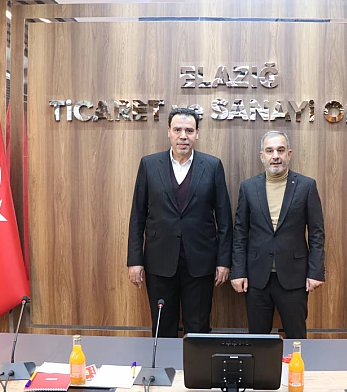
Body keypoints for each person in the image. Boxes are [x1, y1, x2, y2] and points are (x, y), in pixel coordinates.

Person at [127, 107, 233, 337]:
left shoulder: (212, 166)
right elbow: (137, 216)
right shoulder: (149, 165)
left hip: (201, 262)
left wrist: (224, 262)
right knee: (163, 326)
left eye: (189, 130)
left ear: (197, 134)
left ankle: (197, 363)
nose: (183, 136)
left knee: (198, 328)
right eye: (177, 130)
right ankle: (165, 362)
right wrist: (135, 260)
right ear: (169, 132)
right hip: (159, 261)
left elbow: (224, 219)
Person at [231, 130, 325, 339]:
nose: (275, 156)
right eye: (270, 151)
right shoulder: (248, 187)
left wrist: (316, 272)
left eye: (280, 150)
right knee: (257, 340)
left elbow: (317, 233)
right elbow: (240, 233)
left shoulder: (306, 186)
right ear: (262, 156)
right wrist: (238, 271)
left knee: (296, 337)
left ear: (289, 154)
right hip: (257, 277)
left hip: (294, 277)